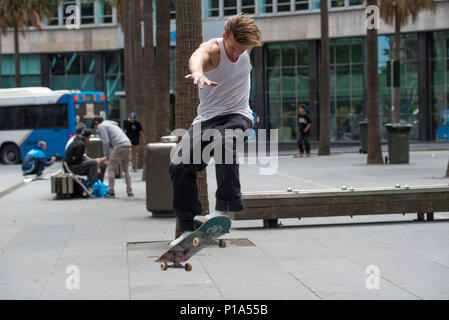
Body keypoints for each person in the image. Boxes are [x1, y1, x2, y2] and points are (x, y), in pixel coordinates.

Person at [168, 13, 262, 246]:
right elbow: (198, 55)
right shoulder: (213, 49)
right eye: (232, 48)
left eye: (241, 50)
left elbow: (245, 42)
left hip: (238, 115)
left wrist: (243, 47)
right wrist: (198, 71)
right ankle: (190, 227)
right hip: (206, 119)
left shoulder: (245, 47)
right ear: (224, 37)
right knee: (178, 166)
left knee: (223, 141)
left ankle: (225, 209)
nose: (236, 54)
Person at [91, 116, 134, 198]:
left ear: (96, 123)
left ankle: (111, 191)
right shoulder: (113, 125)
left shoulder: (102, 126)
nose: (96, 129)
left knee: (111, 168)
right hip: (128, 145)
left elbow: (106, 142)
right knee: (126, 169)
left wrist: (106, 156)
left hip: (118, 146)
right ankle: (130, 191)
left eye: (95, 127)